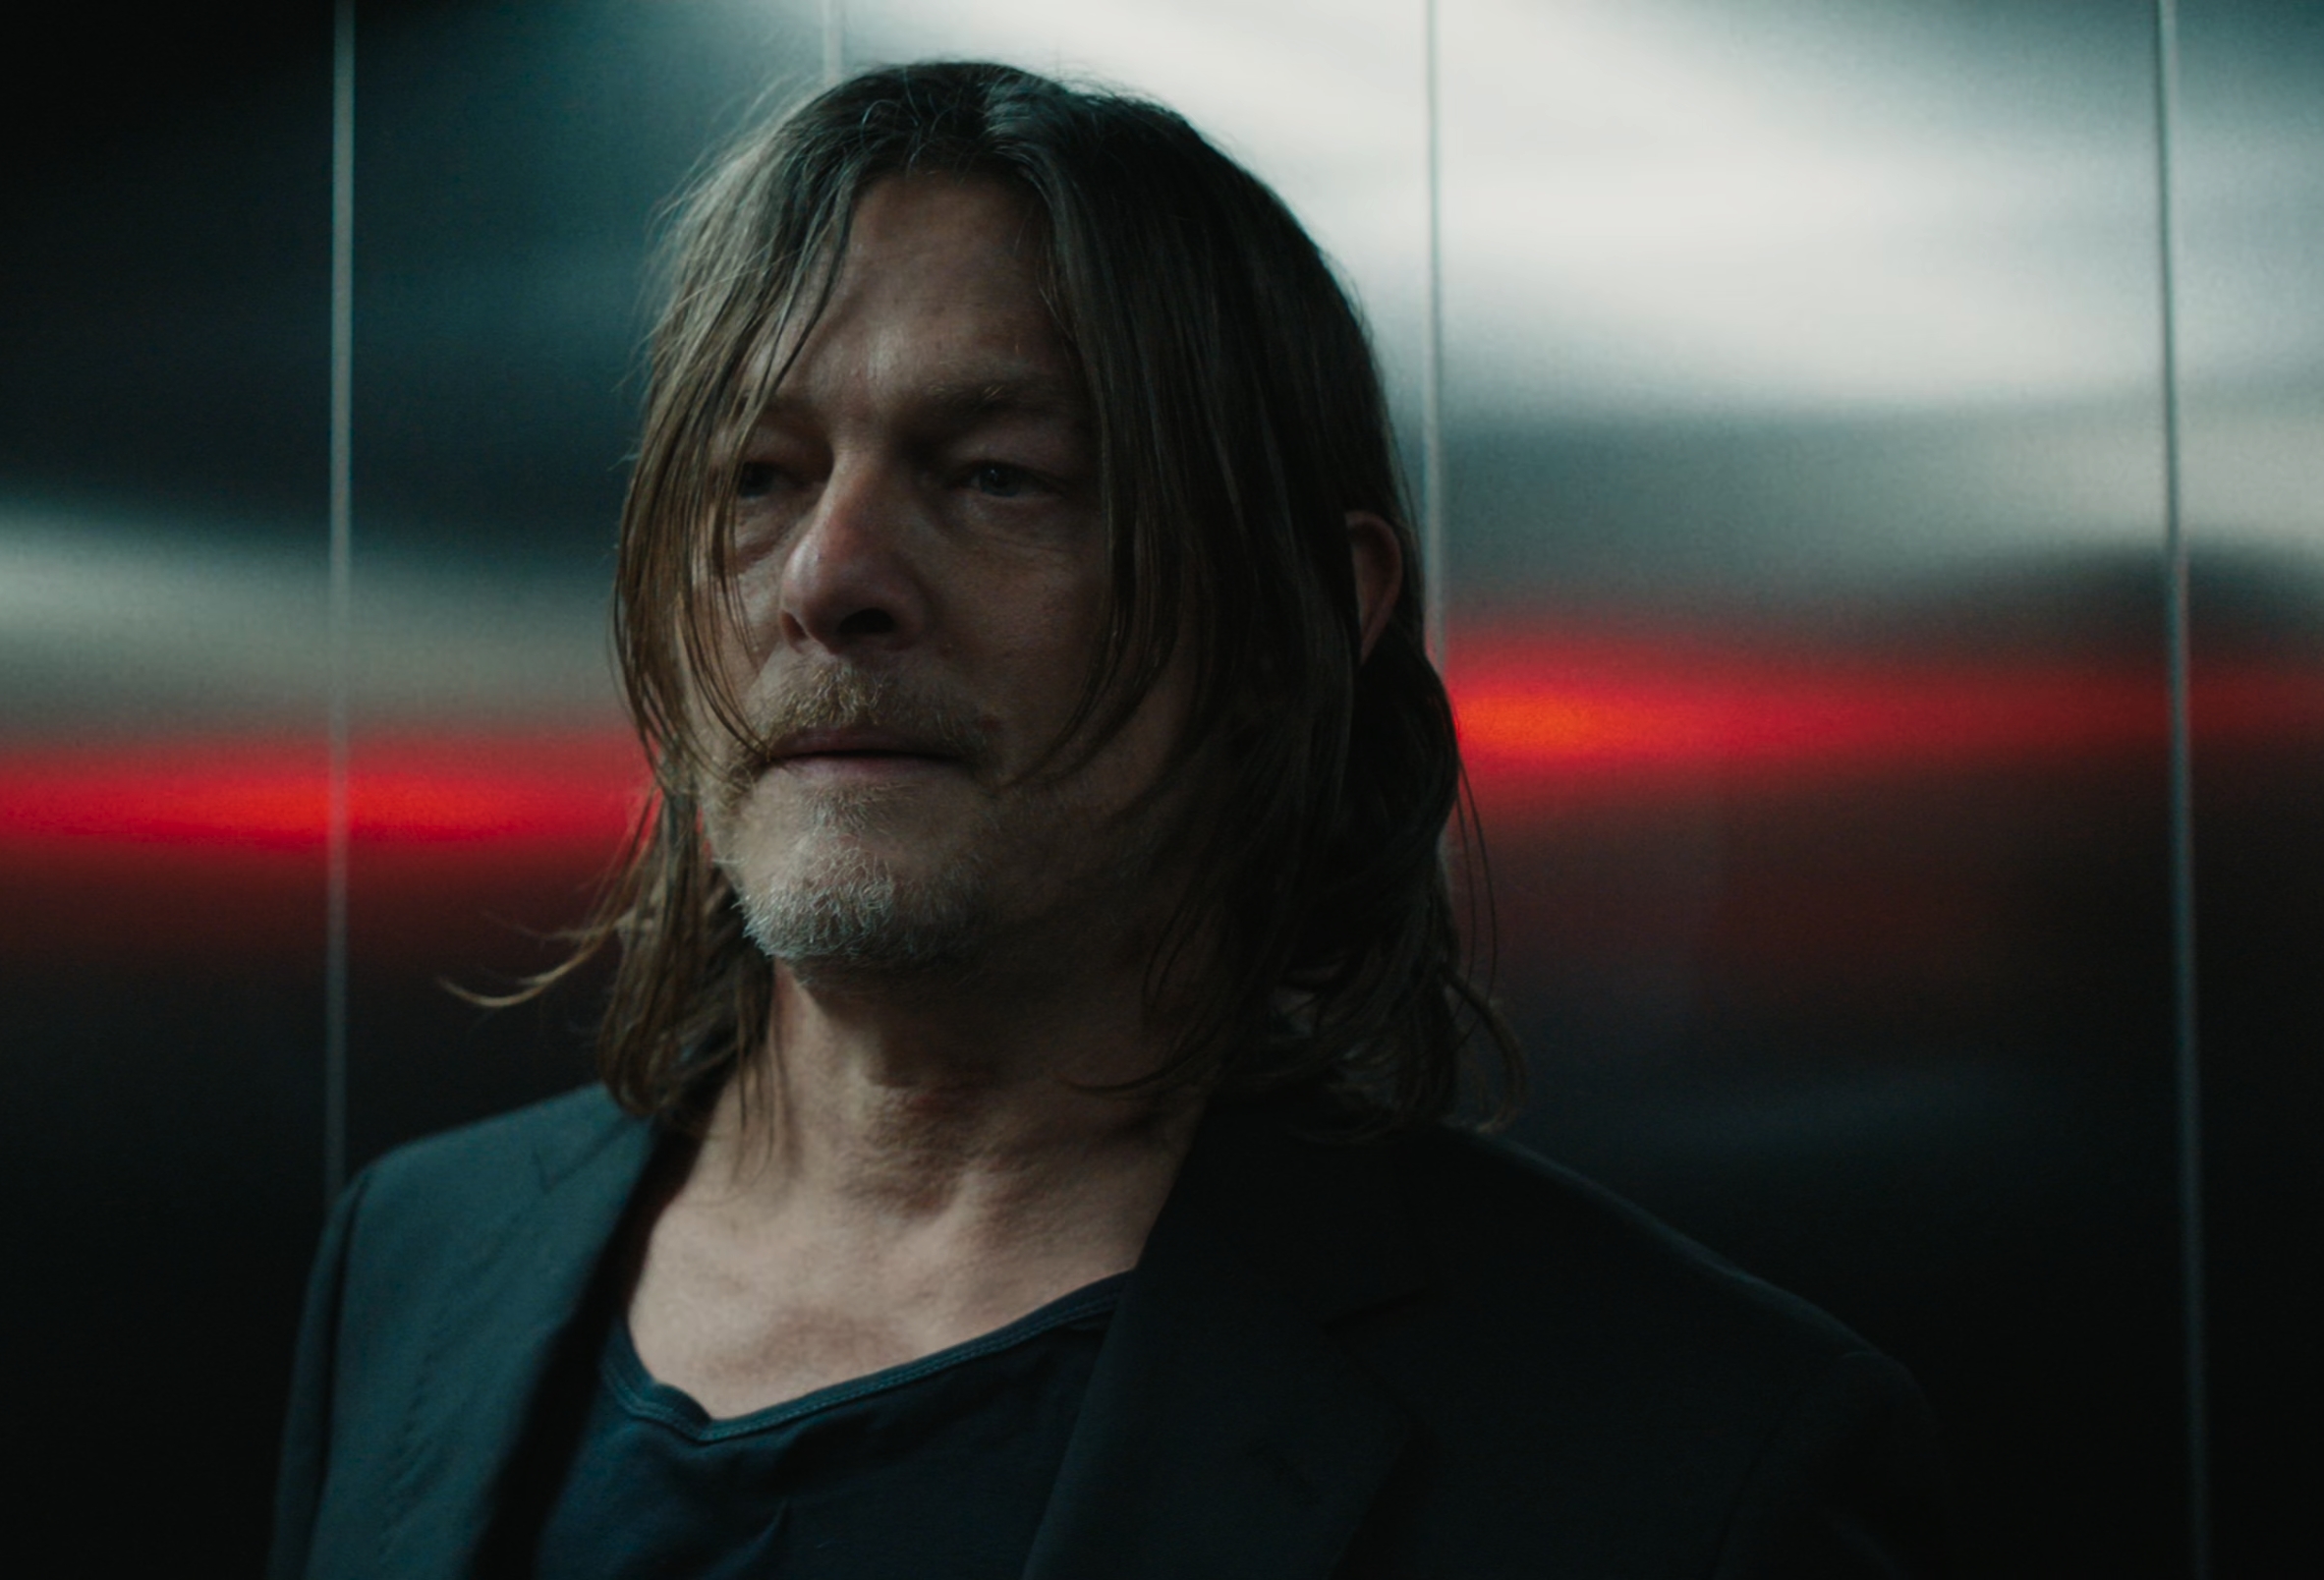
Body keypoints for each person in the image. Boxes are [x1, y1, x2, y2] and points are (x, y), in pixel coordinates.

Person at [271, 61, 1945, 1578]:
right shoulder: (420, 1260)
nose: (829, 577)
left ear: (1298, 613)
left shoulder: (1684, 1459)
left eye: (999, 476)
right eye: (755, 479)